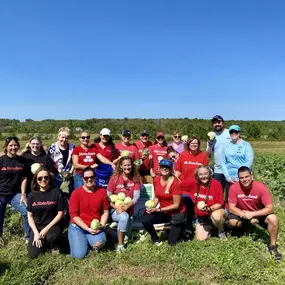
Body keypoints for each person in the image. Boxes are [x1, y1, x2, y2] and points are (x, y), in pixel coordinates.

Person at [228, 166, 282, 261]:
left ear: (252, 176)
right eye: (241, 178)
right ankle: (243, 228)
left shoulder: (261, 187)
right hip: (242, 213)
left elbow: (269, 209)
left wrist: (253, 214)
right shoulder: (233, 187)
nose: (244, 180)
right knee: (232, 222)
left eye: (247, 176)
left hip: (258, 213)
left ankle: (273, 246)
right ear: (238, 178)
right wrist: (245, 215)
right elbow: (231, 207)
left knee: (273, 219)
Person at [142, 159, 186, 246]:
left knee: (172, 243)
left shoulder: (175, 183)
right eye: (162, 167)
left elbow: (176, 205)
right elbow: (157, 197)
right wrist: (152, 207)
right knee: (145, 220)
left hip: (177, 213)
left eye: (167, 167)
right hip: (164, 213)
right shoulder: (156, 180)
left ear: (171, 169)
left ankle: (182, 227)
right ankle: (155, 238)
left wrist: (159, 210)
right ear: (159, 168)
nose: (164, 169)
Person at [68, 167, 109, 259]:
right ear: (82, 179)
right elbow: (74, 216)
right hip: (78, 226)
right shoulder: (76, 193)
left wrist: (101, 225)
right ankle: (78, 239)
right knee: (79, 255)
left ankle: (89, 240)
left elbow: (105, 212)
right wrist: (87, 229)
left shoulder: (102, 192)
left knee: (99, 243)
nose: (89, 179)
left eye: (91, 177)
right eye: (86, 178)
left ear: (95, 177)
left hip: (94, 227)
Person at [181, 165, 227, 241]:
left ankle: (221, 231)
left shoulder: (216, 184)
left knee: (216, 216)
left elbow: (219, 203)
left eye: (206, 173)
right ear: (197, 176)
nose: (203, 176)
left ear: (210, 174)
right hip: (203, 218)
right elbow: (178, 186)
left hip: (215, 211)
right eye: (200, 174)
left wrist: (208, 209)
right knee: (200, 238)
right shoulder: (193, 182)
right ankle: (214, 227)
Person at [27, 168, 65, 258]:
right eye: (40, 178)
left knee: (51, 237)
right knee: (33, 255)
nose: (43, 180)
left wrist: (46, 229)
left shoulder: (57, 192)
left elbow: (60, 213)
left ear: (50, 178)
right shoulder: (31, 195)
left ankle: (55, 243)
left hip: (52, 225)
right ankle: (42, 241)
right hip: (38, 226)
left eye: (46, 177)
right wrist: (36, 233)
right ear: (36, 180)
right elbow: (30, 216)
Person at [107, 157, 141, 252]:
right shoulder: (114, 179)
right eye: (125, 165)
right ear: (121, 166)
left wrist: (126, 207)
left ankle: (108, 231)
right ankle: (120, 246)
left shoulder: (136, 178)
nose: (127, 167)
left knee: (126, 237)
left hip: (128, 209)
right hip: (115, 210)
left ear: (132, 165)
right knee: (124, 217)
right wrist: (116, 207)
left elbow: (136, 197)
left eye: (129, 165)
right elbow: (107, 197)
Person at [0, 137, 30, 246]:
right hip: (1, 194)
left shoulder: (22, 161)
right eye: (11, 145)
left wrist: (23, 195)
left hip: (14, 194)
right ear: (6, 147)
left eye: (15, 145)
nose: (13, 147)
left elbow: (24, 178)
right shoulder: (1, 160)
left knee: (27, 212)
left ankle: (28, 237)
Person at [221, 125, 254, 200]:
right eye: (231, 132)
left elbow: (249, 161)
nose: (233, 133)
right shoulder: (226, 145)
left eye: (235, 131)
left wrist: (240, 177)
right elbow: (223, 162)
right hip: (230, 178)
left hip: (243, 178)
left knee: (244, 199)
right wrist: (228, 177)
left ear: (239, 133)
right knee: (230, 200)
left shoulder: (246, 145)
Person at [206, 115, 231, 189]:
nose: (217, 124)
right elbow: (209, 155)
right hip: (218, 170)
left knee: (230, 194)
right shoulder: (211, 136)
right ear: (212, 125)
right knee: (218, 193)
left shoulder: (230, 133)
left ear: (223, 123)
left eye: (219, 122)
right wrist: (210, 145)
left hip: (230, 169)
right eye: (215, 123)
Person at [48, 127, 75, 193]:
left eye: (66, 138)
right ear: (58, 137)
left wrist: (70, 173)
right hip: (56, 175)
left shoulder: (72, 147)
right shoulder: (53, 147)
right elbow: (50, 161)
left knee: (69, 194)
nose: (64, 139)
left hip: (69, 176)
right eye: (62, 137)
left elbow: (75, 161)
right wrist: (58, 170)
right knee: (58, 194)